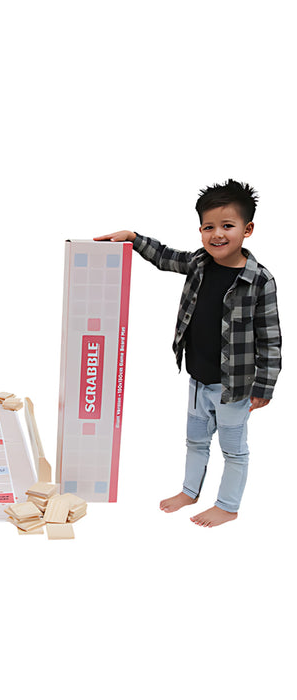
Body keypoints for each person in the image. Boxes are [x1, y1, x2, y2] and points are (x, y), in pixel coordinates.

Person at [95, 179, 281, 527]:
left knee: (234, 450)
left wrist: (264, 387)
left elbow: (271, 339)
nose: (218, 235)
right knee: (195, 441)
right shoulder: (199, 262)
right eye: (209, 227)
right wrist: (134, 239)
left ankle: (227, 506)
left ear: (247, 229)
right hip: (197, 379)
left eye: (228, 226)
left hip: (233, 388)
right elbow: (165, 257)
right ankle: (190, 492)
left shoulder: (260, 281)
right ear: (200, 231)